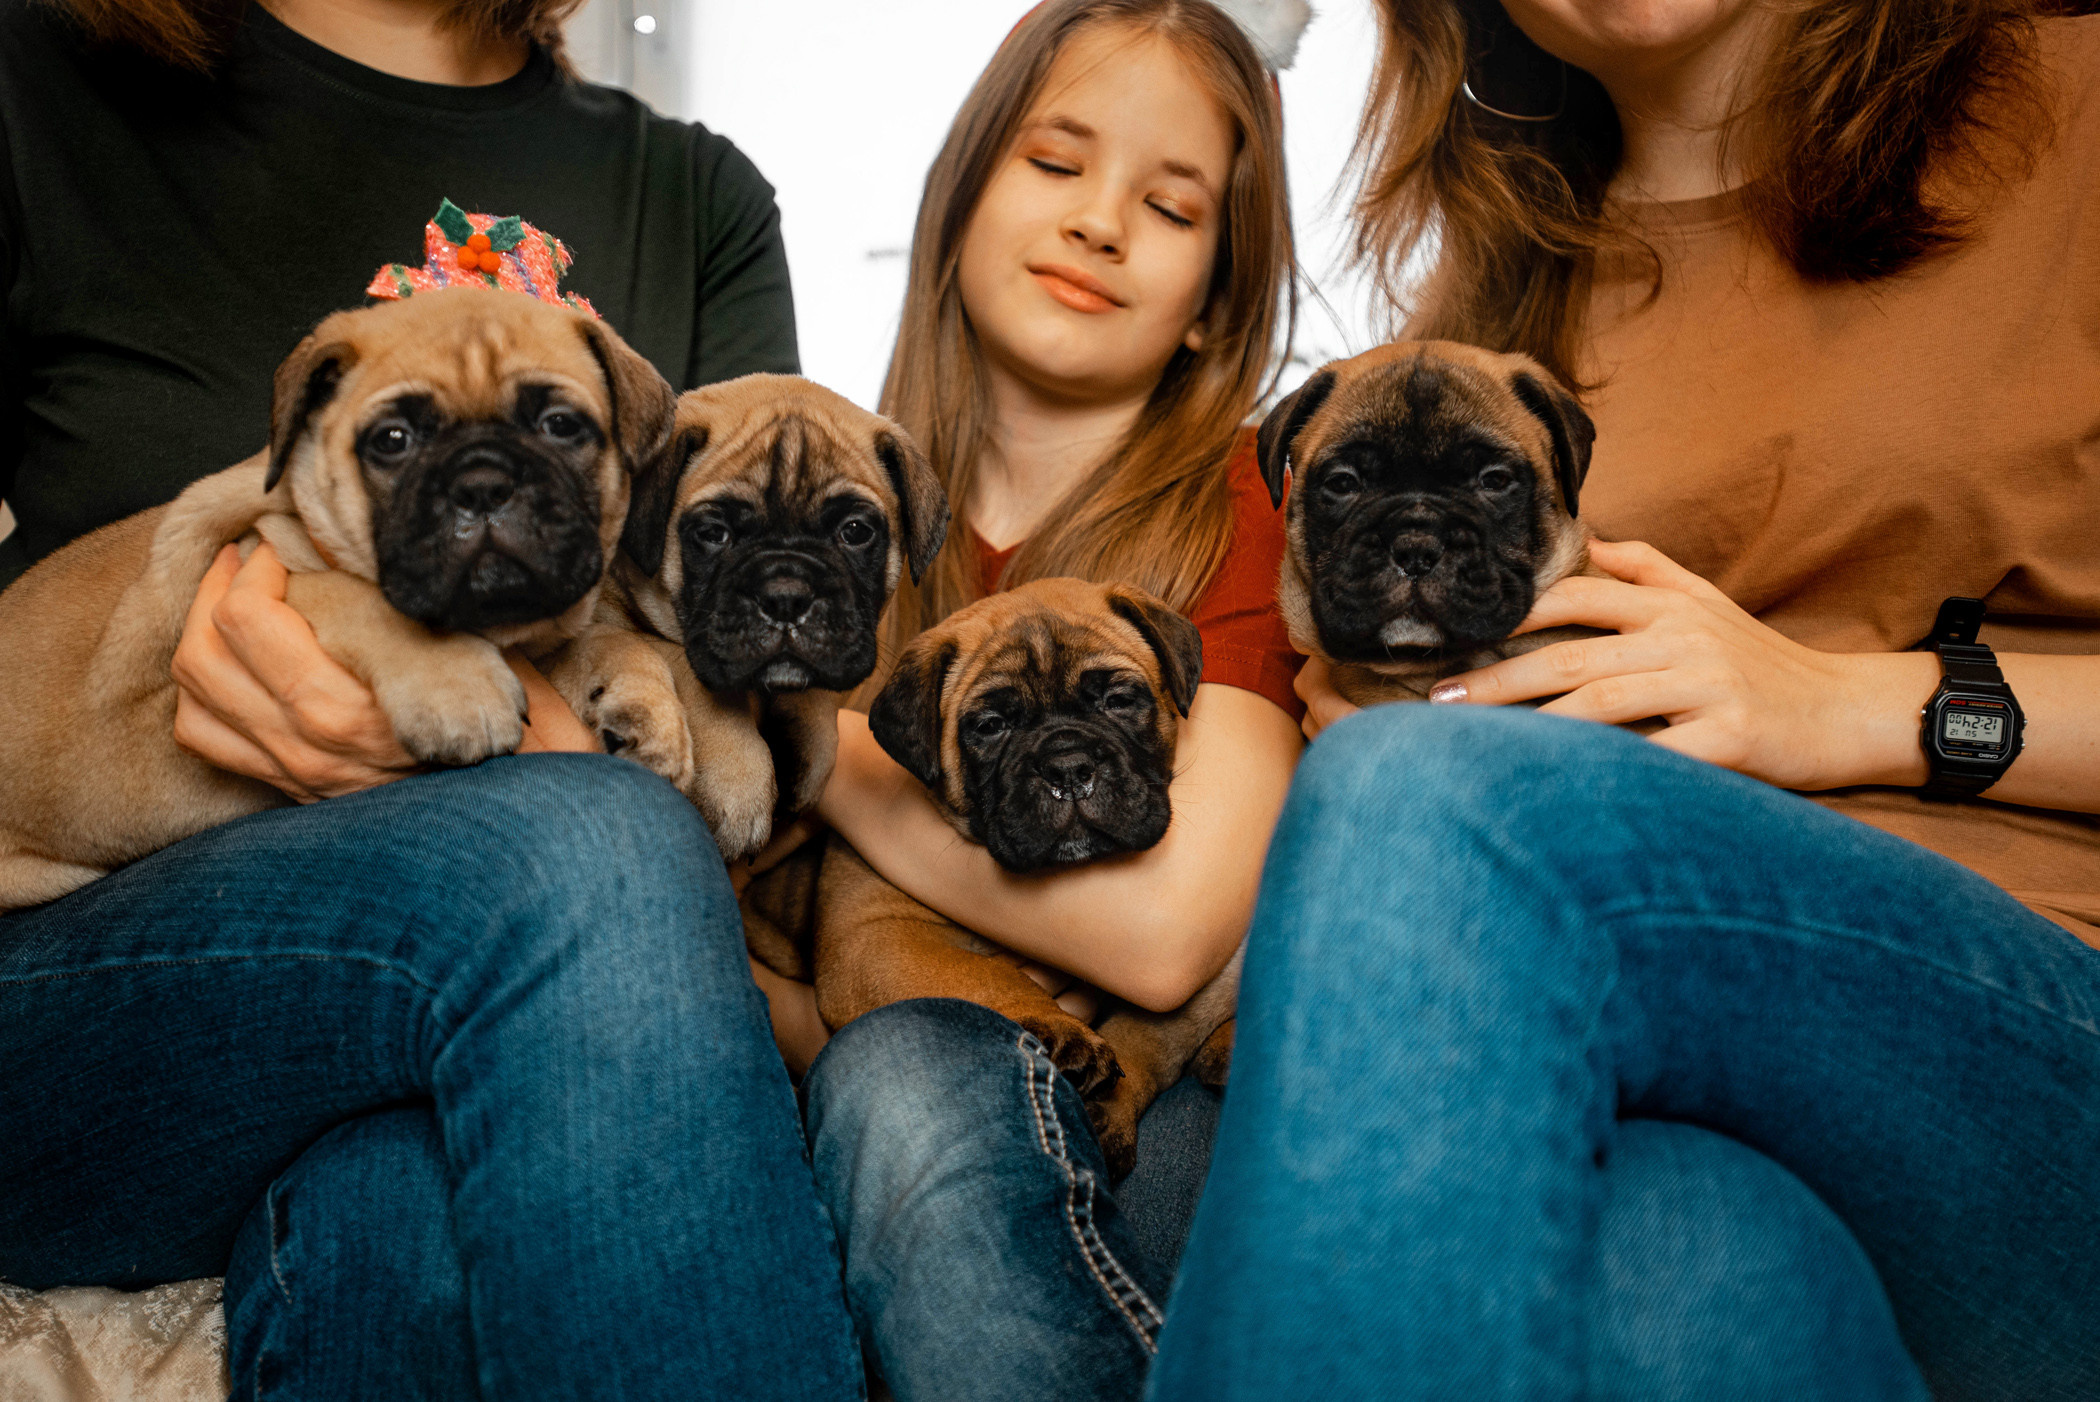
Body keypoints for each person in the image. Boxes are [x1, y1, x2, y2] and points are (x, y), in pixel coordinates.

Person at [1148, 1, 2100, 1398]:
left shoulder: (2068, 102)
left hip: (2028, 1030)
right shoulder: (1486, 309)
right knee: (1682, 1277)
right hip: (1653, 1074)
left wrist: (1847, 704)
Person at [0, 0, 862, 1396]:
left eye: (551, 428)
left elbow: (732, 623)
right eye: (402, 441)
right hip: (68, 971)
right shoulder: (36, 79)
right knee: (589, 838)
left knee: (405, 1213)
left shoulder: (695, 197)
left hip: (466, 997)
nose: (476, 480)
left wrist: (550, 737)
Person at [733, 3, 1304, 1399]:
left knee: (912, 1078)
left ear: (1215, 302)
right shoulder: (833, 519)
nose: (1102, 222)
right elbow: (786, 976)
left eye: (1170, 206)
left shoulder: (1245, 513)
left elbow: (1168, 941)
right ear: (960, 195)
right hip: (869, 1093)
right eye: (1056, 164)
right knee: (893, 1076)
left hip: (1168, 1101)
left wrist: (829, 755)